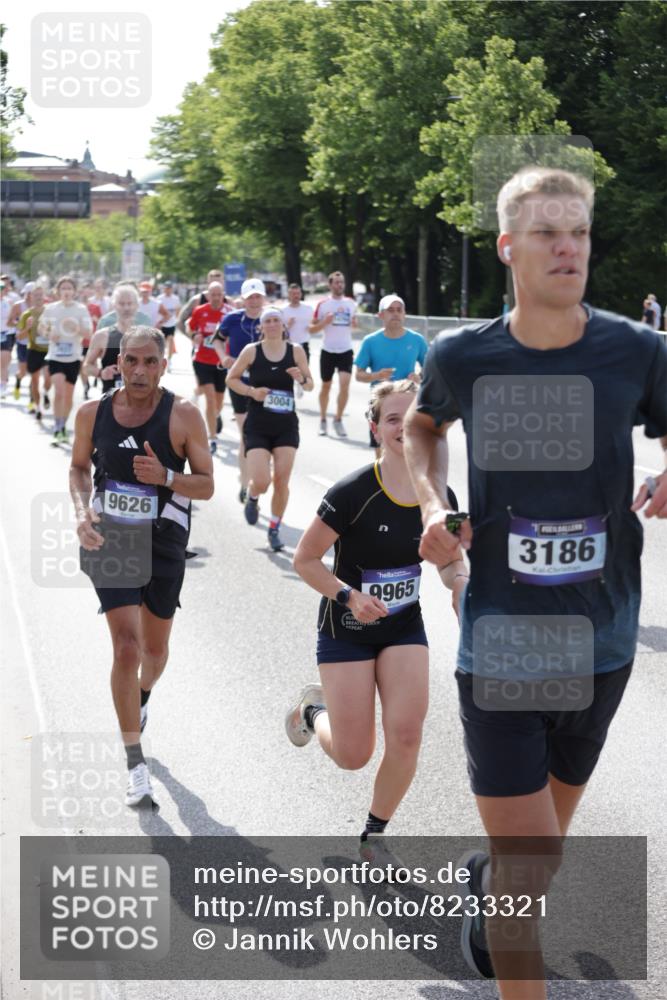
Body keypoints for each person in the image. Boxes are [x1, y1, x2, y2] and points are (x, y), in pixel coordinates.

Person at [404, 166, 667, 999]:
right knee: (532, 860)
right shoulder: (464, 354)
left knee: (538, 853)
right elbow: (419, 425)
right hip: (504, 639)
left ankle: (488, 897)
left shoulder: (636, 349)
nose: (567, 247)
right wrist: (431, 499)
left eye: (579, 232)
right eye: (548, 233)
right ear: (507, 248)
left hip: (603, 636)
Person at [286, 380, 463, 864]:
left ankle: (373, 835)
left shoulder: (438, 493)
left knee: (407, 732)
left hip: (404, 626)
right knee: (352, 755)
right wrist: (347, 596)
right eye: (392, 418)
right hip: (347, 628)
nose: (403, 427)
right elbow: (306, 560)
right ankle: (312, 713)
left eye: (412, 419)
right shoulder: (353, 492)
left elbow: (448, 560)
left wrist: (459, 583)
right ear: (376, 428)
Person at [70, 326, 214, 806]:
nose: (140, 371)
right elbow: (77, 468)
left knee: (154, 653)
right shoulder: (93, 413)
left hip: (165, 542)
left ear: (163, 363)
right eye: (132, 360)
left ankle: (143, 696)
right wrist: (82, 510)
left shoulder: (185, 416)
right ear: (119, 362)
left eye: (150, 362)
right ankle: (135, 765)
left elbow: (207, 485)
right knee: (127, 648)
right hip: (112, 537)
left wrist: (168, 477)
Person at [226, 305, 313, 551]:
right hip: (258, 424)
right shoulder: (251, 351)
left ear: (283, 325)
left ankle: (274, 528)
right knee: (262, 481)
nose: (273, 324)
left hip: (285, 424)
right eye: (268, 321)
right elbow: (231, 379)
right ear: (261, 326)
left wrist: (301, 379)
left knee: (282, 479)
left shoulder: (295, 351)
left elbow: (310, 385)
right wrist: (252, 391)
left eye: (277, 320)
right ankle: (253, 497)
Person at [354, 294, 428, 454]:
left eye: (399, 310)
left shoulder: (417, 340)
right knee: (382, 454)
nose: (395, 314)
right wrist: (377, 375)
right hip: (381, 404)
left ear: (404, 314)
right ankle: (384, 479)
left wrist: (419, 377)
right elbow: (358, 375)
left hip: (409, 403)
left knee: (410, 452)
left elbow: (430, 369)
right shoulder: (370, 341)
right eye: (390, 310)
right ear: (381, 315)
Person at [217, 278, 266, 503]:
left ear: (263, 298)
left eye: (258, 297)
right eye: (250, 297)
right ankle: (246, 484)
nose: (254, 301)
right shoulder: (232, 319)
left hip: (267, 384)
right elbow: (216, 340)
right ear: (243, 300)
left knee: (265, 437)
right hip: (239, 383)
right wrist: (224, 357)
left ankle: (259, 472)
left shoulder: (272, 319)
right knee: (247, 435)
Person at [39, 276, 93, 443]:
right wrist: (49, 334)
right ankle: (57, 426)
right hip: (55, 356)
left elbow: (89, 333)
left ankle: (63, 426)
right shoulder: (50, 309)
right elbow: (41, 328)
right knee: (59, 391)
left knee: (68, 396)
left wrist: (77, 328)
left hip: (74, 357)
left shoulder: (81, 309)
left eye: (70, 288)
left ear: (75, 292)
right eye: (64, 288)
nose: (67, 291)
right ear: (58, 291)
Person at [310, 271, 357, 437]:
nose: (339, 285)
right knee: (326, 386)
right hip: (328, 350)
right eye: (336, 283)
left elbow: (355, 326)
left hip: (345, 350)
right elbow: (312, 328)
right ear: (330, 285)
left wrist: (354, 324)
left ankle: (338, 419)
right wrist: (325, 322)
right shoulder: (323, 304)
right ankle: (323, 419)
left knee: (345, 384)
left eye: (342, 282)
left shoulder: (351, 303)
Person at [189, 281, 229, 453]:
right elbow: (190, 328)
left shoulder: (229, 313)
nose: (216, 298)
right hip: (202, 361)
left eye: (219, 294)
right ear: (208, 295)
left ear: (223, 295)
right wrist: (195, 336)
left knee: (218, 402)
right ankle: (212, 438)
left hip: (222, 362)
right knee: (210, 398)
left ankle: (215, 416)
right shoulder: (200, 311)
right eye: (213, 294)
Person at [84, 285, 143, 394]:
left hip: (141, 402)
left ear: (136, 306)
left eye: (130, 303)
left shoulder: (146, 337)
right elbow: (86, 367)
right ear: (114, 305)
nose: (126, 308)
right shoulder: (102, 336)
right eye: (121, 304)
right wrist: (100, 373)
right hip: (111, 402)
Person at [17, 285, 49, 419]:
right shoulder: (26, 315)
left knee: (48, 378)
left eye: (40, 295)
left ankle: (46, 393)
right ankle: (38, 407)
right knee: (34, 381)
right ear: (30, 297)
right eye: (35, 295)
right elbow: (19, 337)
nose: (38, 297)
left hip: (49, 351)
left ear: (44, 296)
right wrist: (28, 327)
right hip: (33, 350)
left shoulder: (51, 311)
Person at [282, 282, 314, 363]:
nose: (296, 296)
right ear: (289, 295)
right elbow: (279, 330)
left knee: (304, 373)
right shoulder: (283, 310)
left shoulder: (308, 308)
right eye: (293, 294)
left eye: (298, 293)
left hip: (304, 344)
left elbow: (314, 323)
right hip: (288, 345)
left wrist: (312, 326)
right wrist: (288, 325)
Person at [157, 281, 181, 364]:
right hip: (162, 323)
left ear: (171, 289)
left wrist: (176, 319)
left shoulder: (175, 298)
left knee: (170, 339)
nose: (168, 290)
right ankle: (161, 358)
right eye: (166, 288)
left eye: (169, 288)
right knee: (162, 342)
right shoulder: (160, 298)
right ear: (164, 289)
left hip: (171, 323)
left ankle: (170, 359)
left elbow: (178, 309)